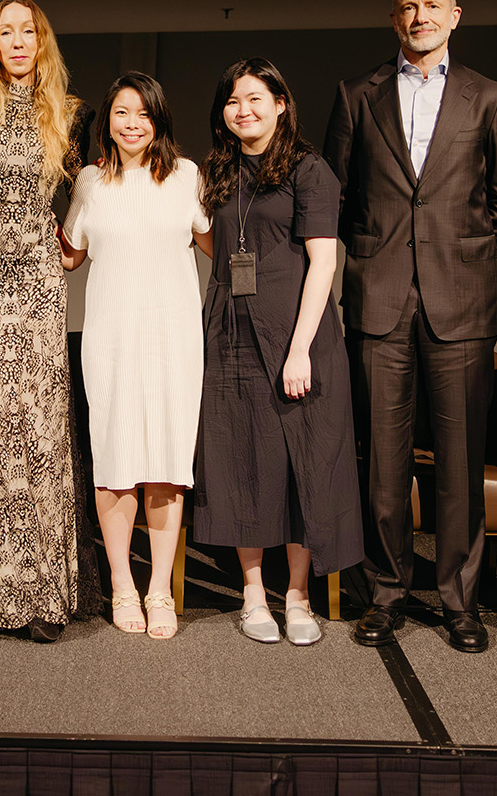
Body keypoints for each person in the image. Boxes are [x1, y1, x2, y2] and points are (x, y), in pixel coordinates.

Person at [323, 0, 497, 653]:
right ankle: (384, 594)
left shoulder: (490, 98)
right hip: (378, 298)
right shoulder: (356, 94)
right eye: (407, 7)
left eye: (431, 5)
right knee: (381, 461)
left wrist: (457, 248)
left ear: (456, 15)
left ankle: (460, 601)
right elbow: (340, 193)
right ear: (394, 19)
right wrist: (377, 254)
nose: (419, 16)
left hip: (460, 301)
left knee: (461, 462)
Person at [194, 58, 364, 645]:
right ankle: (251, 595)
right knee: (244, 462)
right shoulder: (216, 171)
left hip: (299, 335)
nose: (244, 110)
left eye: (256, 99)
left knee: (301, 467)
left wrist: (300, 350)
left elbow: (324, 262)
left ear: (281, 104)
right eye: (233, 101)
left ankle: (296, 596)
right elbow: (213, 244)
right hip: (231, 335)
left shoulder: (308, 170)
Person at [0, 0, 94, 641]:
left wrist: (72, 244)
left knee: (40, 427)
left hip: (37, 278)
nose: (18, 40)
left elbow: (91, 193)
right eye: (6, 31)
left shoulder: (69, 114)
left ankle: (43, 595)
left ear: (43, 39)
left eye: (28, 30)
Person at [61, 72, 211, 641]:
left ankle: (160, 591)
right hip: (111, 340)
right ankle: (123, 585)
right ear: (108, 120)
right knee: (117, 465)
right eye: (121, 113)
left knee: (167, 468)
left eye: (143, 114)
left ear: (159, 121)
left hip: (174, 340)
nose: (132, 123)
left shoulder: (187, 177)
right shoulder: (90, 183)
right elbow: (70, 255)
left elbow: (217, 243)